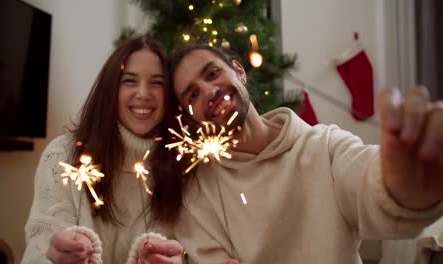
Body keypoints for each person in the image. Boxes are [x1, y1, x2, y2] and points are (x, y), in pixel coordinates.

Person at [150, 44, 443, 263]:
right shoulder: (198, 192)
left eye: (213, 74)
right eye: (192, 95)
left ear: (239, 72)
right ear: (191, 118)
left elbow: (373, 186)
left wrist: (404, 186)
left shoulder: (324, 146)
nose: (209, 92)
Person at [22, 36, 183, 264]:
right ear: (111, 88)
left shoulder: (183, 165)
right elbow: (37, 251)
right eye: (129, 81)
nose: (144, 93)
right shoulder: (62, 157)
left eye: (158, 83)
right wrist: (54, 258)